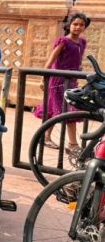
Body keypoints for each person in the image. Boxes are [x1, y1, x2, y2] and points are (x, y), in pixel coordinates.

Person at [34, 12, 90, 154]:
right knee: (69, 111)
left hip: (71, 80)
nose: (78, 27)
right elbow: (51, 60)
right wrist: (43, 79)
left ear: (85, 27)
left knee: (56, 109)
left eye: (81, 25)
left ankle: (45, 137)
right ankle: (73, 144)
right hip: (58, 80)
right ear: (69, 25)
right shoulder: (63, 42)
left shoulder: (82, 42)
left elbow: (76, 60)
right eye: (75, 24)